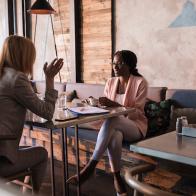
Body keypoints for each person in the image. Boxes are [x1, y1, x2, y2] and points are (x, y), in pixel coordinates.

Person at [67, 50, 148, 196]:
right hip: (115, 126)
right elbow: (107, 108)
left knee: (114, 119)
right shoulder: (111, 82)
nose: (115, 67)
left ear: (130, 65)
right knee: (115, 135)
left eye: (120, 63)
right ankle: (117, 178)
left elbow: (137, 113)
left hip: (135, 126)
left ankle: (90, 167)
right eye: (114, 63)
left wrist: (115, 104)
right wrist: (97, 103)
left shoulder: (140, 82)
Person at [0, 35, 63, 193]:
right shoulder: (17, 79)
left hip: (3, 149)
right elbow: (47, 112)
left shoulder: (3, 76)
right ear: (24, 56)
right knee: (42, 153)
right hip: (2, 160)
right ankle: (32, 193)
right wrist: (49, 79)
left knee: (28, 149)